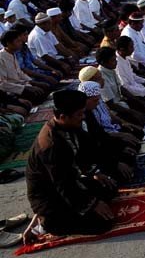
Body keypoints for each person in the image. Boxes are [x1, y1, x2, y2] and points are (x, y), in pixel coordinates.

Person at [26, 89, 117, 237]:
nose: (83, 117)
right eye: (79, 114)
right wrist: (92, 204)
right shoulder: (50, 145)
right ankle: (44, 224)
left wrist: (95, 173)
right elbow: (63, 185)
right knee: (102, 224)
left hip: (70, 181)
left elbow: (85, 152)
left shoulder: (69, 125)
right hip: (51, 198)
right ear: (62, 116)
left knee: (109, 187)